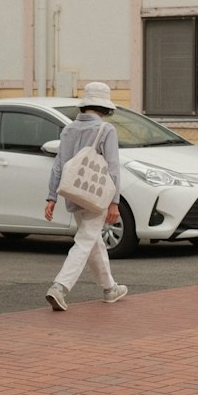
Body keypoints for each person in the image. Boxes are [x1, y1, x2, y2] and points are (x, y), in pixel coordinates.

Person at [44, 82, 128, 311]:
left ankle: (110, 288)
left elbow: (59, 165)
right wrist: (114, 201)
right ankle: (59, 287)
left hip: (73, 193)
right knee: (85, 242)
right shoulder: (106, 130)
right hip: (97, 195)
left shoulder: (69, 129)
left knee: (93, 243)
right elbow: (113, 169)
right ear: (104, 107)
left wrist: (51, 196)